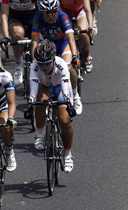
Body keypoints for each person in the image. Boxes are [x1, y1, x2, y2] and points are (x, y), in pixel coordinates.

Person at [29, 39, 76, 172]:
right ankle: (40, 135)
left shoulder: (61, 64)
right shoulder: (34, 66)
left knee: (64, 120)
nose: (44, 66)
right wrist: (31, 103)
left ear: (53, 59)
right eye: (41, 63)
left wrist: (68, 102)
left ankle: (68, 155)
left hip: (60, 89)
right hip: (45, 87)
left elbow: (66, 87)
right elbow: (32, 88)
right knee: (39, 102)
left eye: (47, 63)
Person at [31, 0, 83, 114]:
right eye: (47, 13)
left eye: (53, 12)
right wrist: (34, 60)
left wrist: (75, 56)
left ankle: (75, 95)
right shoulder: (37, 18)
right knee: (41, 65)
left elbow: (70, 37)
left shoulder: (62, 17)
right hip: (47, 45)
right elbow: (34, 41)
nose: (51, 16)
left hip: (62, 44)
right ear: (42, 12)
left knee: (69, 67)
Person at [0, 0, 38, 86]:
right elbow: (4, 16)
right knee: (17, 33)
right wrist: (5, 37)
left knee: (37, 36)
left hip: (33, 16)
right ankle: (18, 64)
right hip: (15, 17)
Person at [60, 0, 95, 72]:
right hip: (64, 14)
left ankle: (87, 56)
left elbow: (88, 10)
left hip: (80, 12)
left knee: (83, 33)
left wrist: (91, 26)